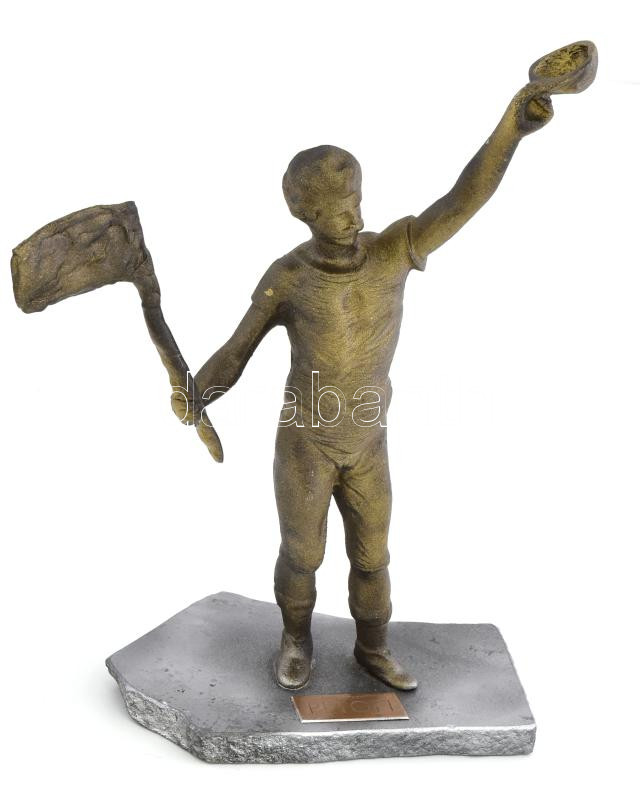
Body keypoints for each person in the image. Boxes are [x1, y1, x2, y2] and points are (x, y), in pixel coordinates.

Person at [173, 85, 554, 690]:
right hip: (306, 440)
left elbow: (463, 199)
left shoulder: (392, 251)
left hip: (368, 439)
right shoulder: (288, 277)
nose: (353, 217)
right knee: (302, 553)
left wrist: (512, 129)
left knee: (374, 556)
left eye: (356, 201)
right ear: (305, 214)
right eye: (337, 210)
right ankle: (296, 638)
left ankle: (373, 647)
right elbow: (235, 352)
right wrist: (197, 394)